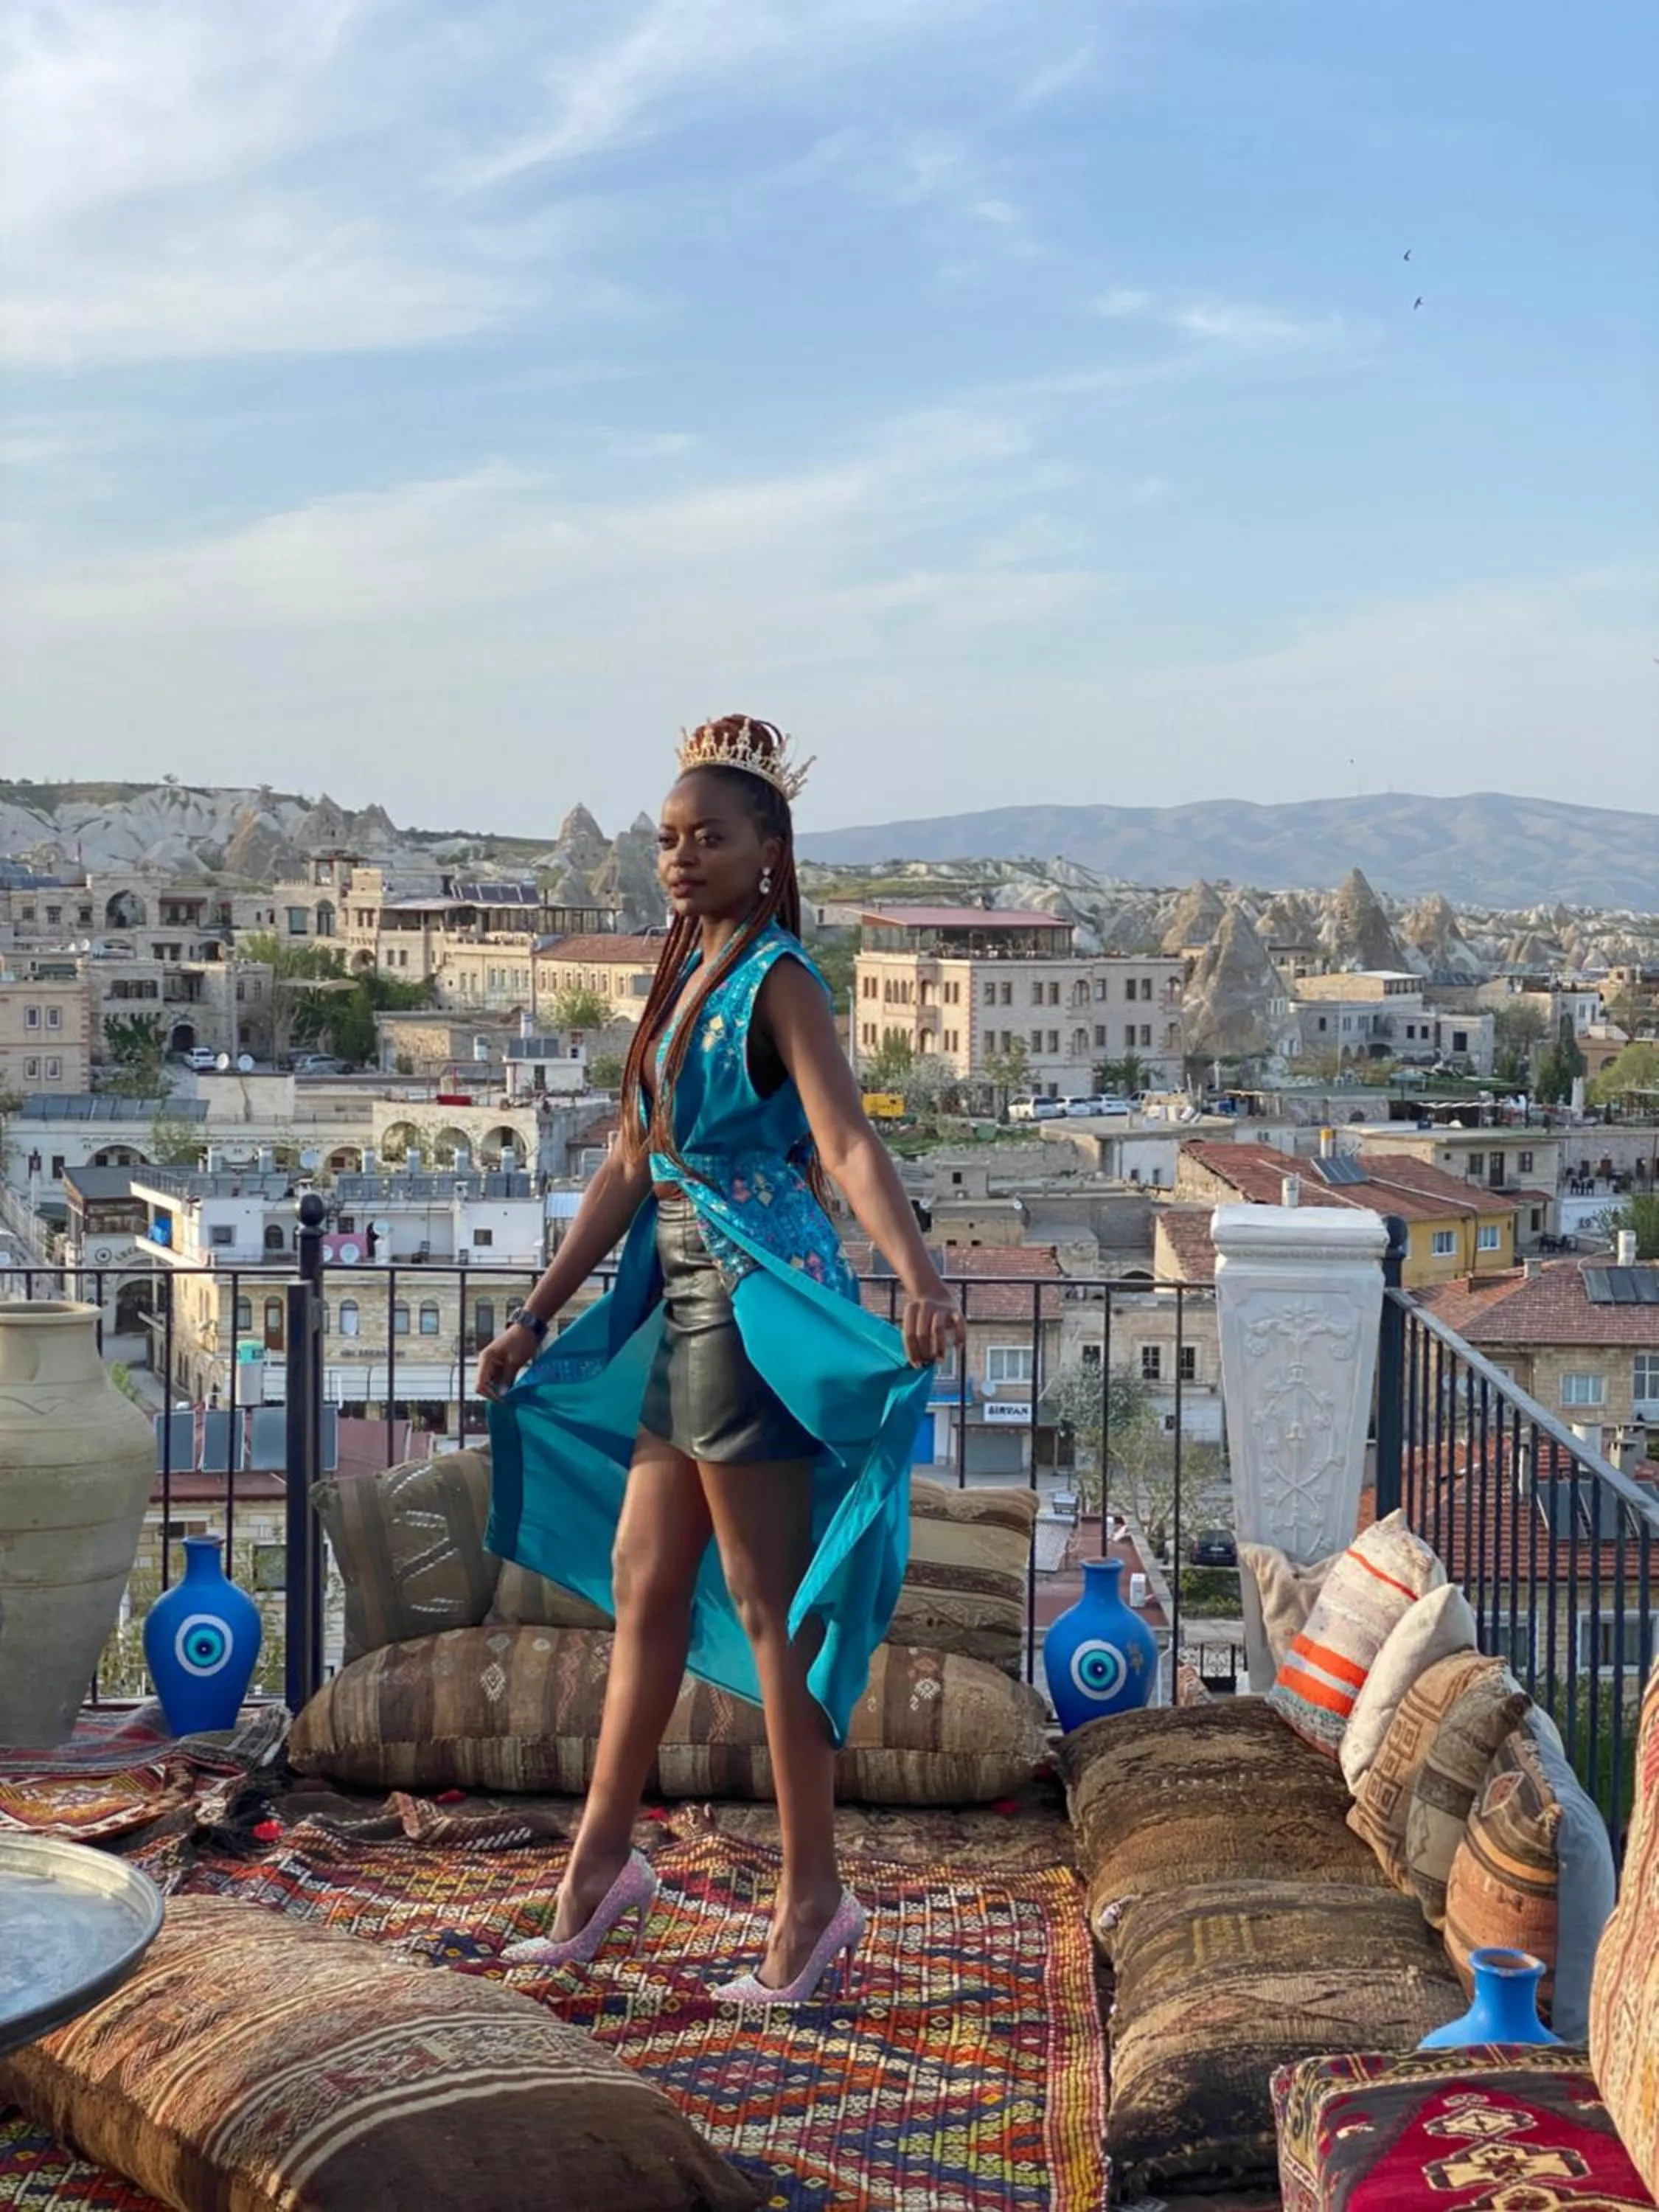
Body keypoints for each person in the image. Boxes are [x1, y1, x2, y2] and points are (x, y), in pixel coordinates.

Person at [476, 715, 967, 2004]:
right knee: (643, 1586)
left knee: (767, 1611)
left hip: (752, 1307)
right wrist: (534, 1313)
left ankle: (812, 1903)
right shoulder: (682, 970)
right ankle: (598, 1873)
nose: (682, 858)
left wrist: (918, 1278)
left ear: (769, 850)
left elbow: (847, 1144)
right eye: (668, 840)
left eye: (709, 837)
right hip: (676, 1303)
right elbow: (629, 1166)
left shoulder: (781, 977)